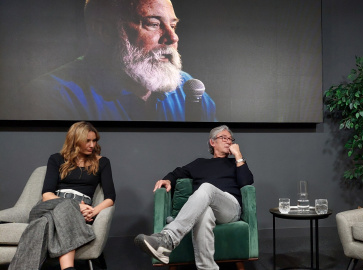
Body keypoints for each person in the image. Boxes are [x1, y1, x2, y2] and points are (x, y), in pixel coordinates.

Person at [16, 0, 216, 121]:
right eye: (153, 24)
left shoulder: (189, 90)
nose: (172, 38)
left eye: (173, 25)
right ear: (104, 30)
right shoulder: (53, 96)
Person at [134, 125, 254, 270]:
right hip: (206, 208)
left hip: (230, 209)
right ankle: (207, 268)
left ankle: (168, 239)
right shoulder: (199, 163)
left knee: (206, 187)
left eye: (230, 139)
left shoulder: (235, 163)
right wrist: (167, 180)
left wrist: (238, 156)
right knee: (204, 213)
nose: (228, 141)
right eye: (224, 137)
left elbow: (246, 182)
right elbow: (177, 173)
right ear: (212, 142)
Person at [8, 121, 116, 270]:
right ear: (75, 140)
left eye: (94, 140)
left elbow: (110, 197)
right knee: (66, 206)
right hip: (49, 205)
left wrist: (93, 211)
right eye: (88, 141)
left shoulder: (102, 162)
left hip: (79, 212)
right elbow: (46, 195)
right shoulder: (56, 159)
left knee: (42, 224)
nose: (92, 145)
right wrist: (76, 206)